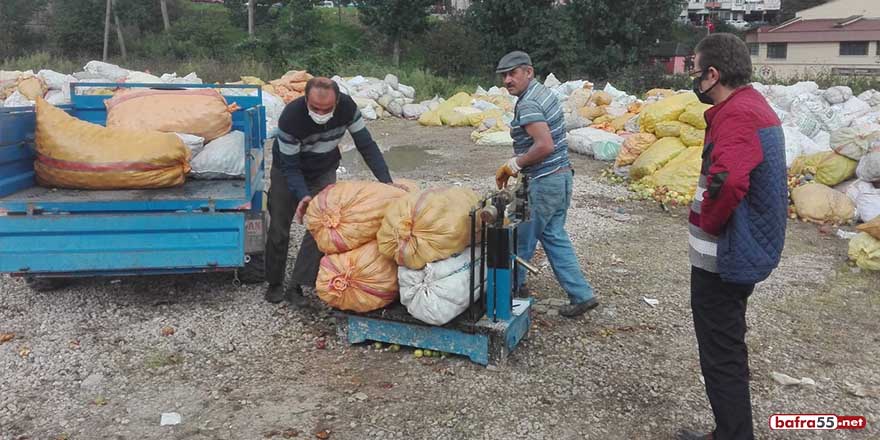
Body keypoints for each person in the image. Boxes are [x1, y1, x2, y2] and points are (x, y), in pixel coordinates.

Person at [677, 33, 788, 440]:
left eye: (694, 71)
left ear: (713, 74)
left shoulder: (738, 114)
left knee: (720, 353)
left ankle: (733, 434)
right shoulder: (748, 106)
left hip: (724, 259)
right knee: (727, 346)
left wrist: (707, 221)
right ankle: (730, 429)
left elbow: (729, 182)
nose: (692, 79)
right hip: (734, 252)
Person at [265, 77, 395, 304]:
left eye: (327, 109)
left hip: (323, 168)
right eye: (315, 108)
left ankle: (298, 284)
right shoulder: (291, 118)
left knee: (323, 226)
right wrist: (304, 196)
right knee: (279, 226)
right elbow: (290, 167)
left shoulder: (347, 108)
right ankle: (274, 283)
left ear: (336, 103)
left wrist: (387, 182)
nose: (321, 113)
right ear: (306, 99)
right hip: (288, 170)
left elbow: (366, 144)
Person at [494, 50, 598, 318]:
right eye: (503, 75)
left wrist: (515, 164)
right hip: (561, 178)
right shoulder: (543, 93)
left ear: (528, 72)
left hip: (542, 181)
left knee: (520, 239)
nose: (507, 80)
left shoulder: (528, 103)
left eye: (512, 73)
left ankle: (512, 292)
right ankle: (582, 294)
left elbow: (544, 145)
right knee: (554, 236)